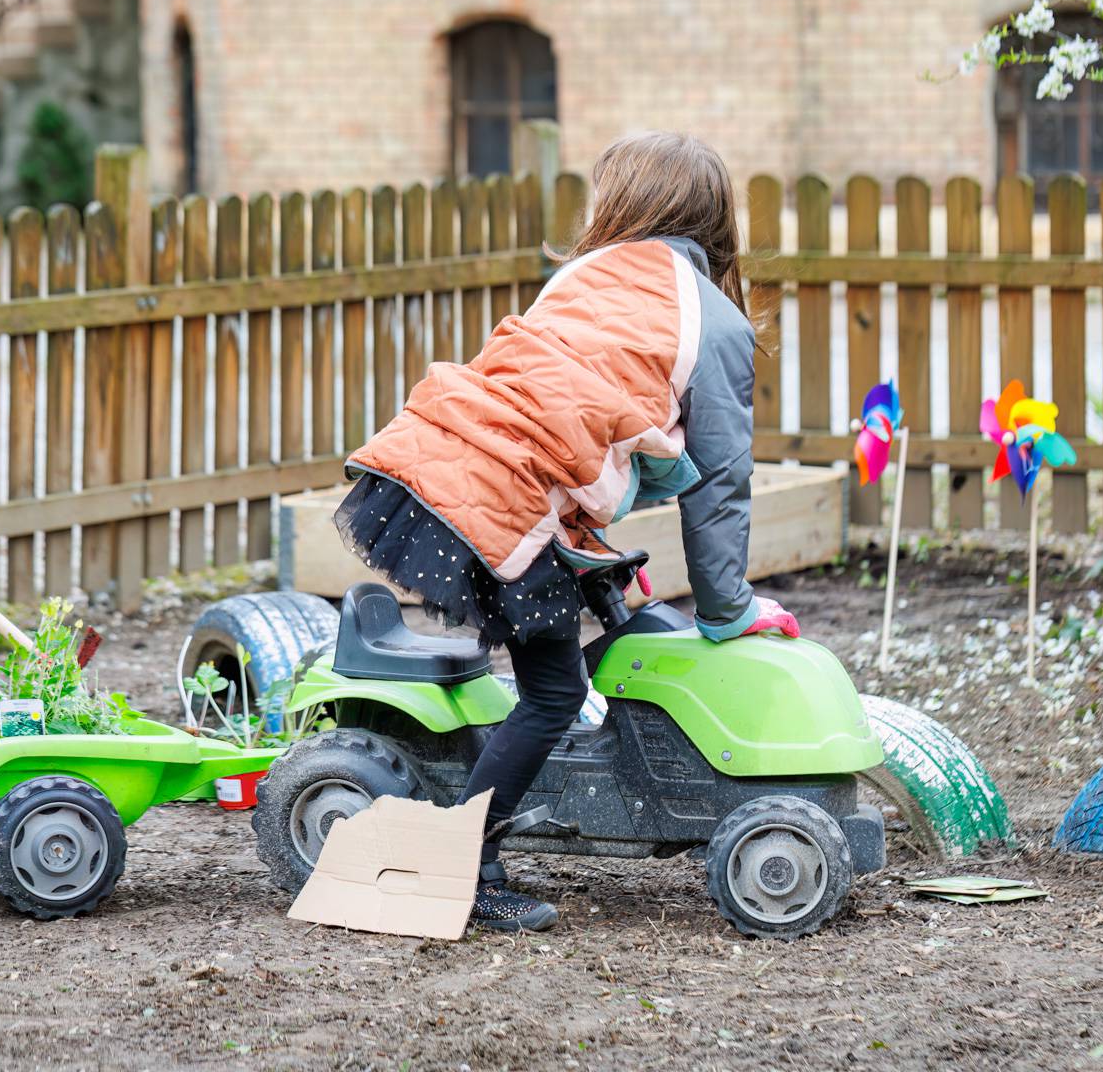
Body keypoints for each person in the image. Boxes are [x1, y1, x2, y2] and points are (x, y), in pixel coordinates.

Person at [336, 130, 799, 932]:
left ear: (622, 203)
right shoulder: (712, 322)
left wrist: (591, 552)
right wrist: (728, 611)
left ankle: (485, 810)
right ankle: (465, 869)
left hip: (435, 463)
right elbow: (720, 483)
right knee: (554, 693)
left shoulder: (584, 277)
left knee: (553, 670)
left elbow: (562, 424)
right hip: (499, 500)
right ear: (716, 218)